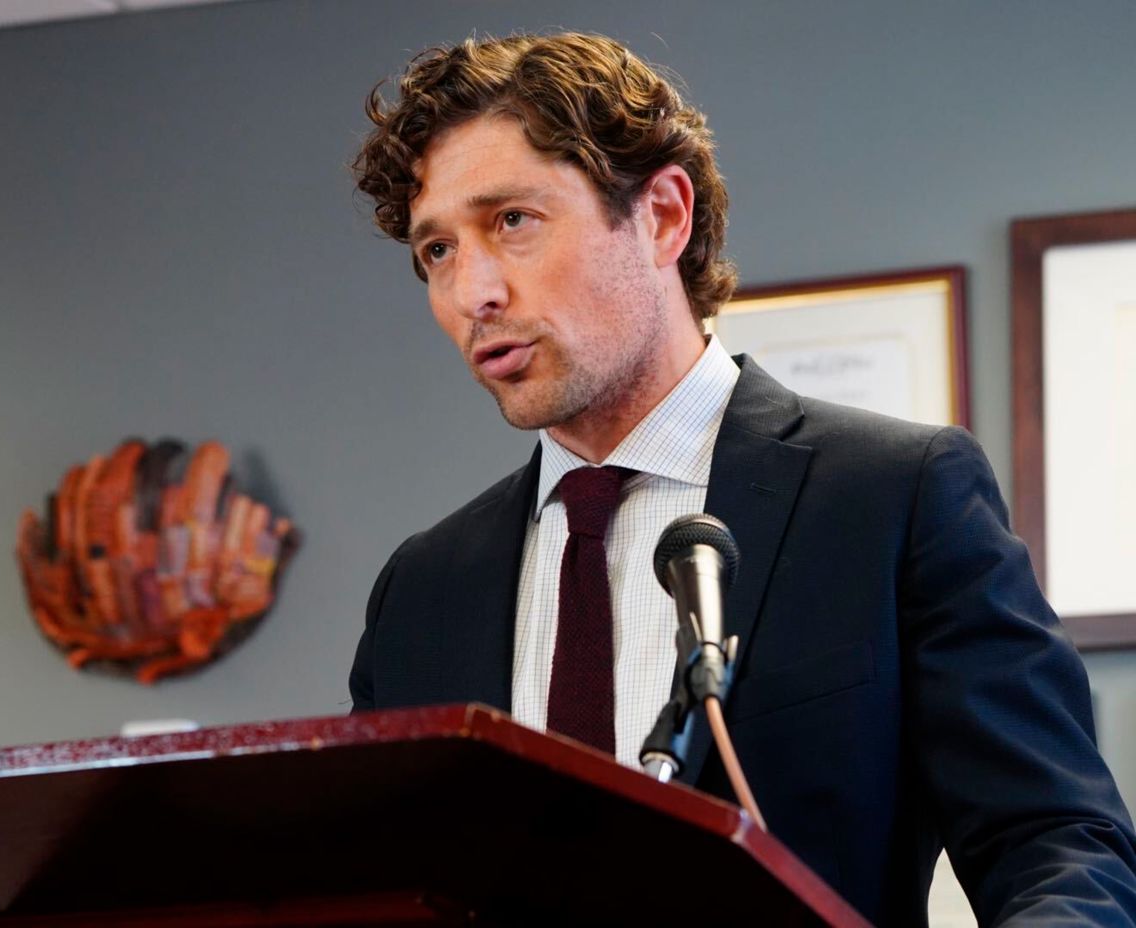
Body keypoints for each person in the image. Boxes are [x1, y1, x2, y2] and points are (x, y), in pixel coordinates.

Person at [348, 31, 1136, 925]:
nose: (471, 292)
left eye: (511, 222)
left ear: (663, 217)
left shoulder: (894, 495)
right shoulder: (418, 592)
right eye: (436, 253)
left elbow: (1057, 846)